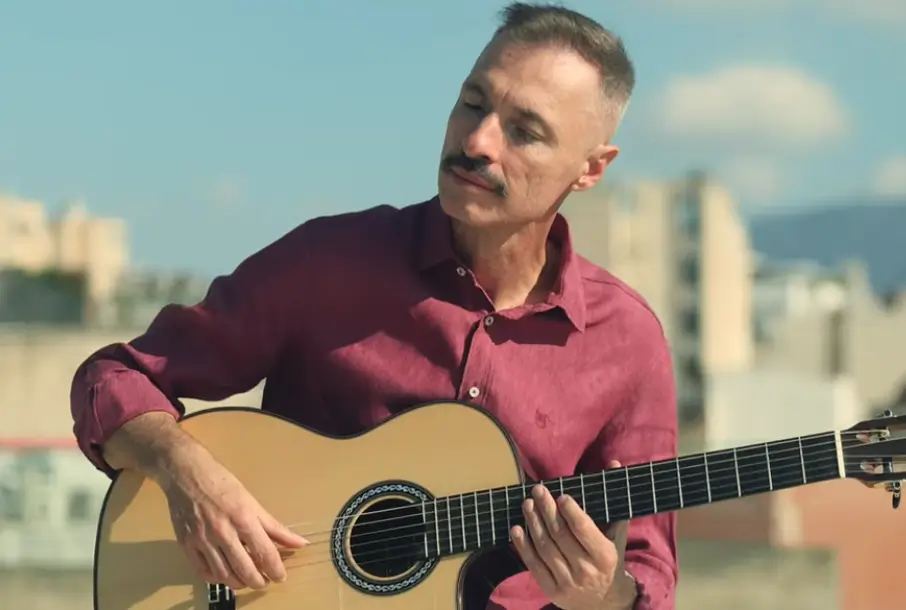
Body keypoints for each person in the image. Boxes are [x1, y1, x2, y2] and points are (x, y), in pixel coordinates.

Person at [70, 3, 678, 609]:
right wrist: (184, 472)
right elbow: (114, 378)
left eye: (524, 131)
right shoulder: (327, 262)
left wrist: (605, 594)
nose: (476, 141)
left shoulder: (627, 339)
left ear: (591, 168)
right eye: (473, 104)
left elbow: (648, 571)